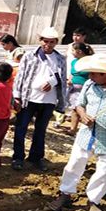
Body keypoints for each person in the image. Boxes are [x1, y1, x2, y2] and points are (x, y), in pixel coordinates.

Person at [49, 54, 106, 211]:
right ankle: (65, 193)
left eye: (94, 73)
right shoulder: (90, 85)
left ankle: (93, 200)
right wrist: (83, 115)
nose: (90, 76)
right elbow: (79, 104)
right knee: (74, 164)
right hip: (86, 134)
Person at [12, 26, 67, 172]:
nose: (48, 44)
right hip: (28, 98)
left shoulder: (60, 59)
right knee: (21, 128)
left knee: (41, 130)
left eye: (51, 42)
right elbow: (20, 77)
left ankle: (36, 157)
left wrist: (52, 84)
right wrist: (16, 96)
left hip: (48, 100)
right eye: (45, 41)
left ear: (56, 42)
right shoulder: (29, 56)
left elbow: (62, 78)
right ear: (40, 40)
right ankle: (18, 157)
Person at [66, 42, 94, 135]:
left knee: (81, 108)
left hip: (85, 88)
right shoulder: (74, 61)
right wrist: (69, 80)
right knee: (74, 108)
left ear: (79, 51)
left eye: (73, 50)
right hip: (73, 88)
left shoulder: (89, 61)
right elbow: (72, 73)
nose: (72, 52)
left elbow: (92, 74)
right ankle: (73, 128)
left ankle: (78, 129)